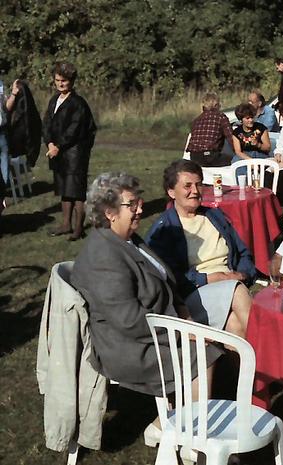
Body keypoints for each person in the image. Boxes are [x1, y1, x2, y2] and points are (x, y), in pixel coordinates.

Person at [71, 172, 223, 398]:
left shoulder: (128, 239)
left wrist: (184, 314)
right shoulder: (103, 255)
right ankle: (185, 419)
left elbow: (164, 281)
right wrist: (181, 333)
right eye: (131, 205)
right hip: (129, 346)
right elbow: (130, 321)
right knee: (203, 353)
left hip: (158, 326)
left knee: (220, 333)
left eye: (139, 202)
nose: (140, 209)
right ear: (109, 212)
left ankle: (193, 412)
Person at [145, 160, 254, 338]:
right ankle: (271, 351)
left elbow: (242, 252)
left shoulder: (214, 216)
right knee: (237, 291)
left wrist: (243, 274)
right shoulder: (164, 229)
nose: (195, 191)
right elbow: (167, 275)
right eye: (187, 186)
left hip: (230, 283)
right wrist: (208, 278)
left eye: (199, 184)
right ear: (171, 192)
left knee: (234, 323)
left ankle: (241, 358)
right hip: (194, 294)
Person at [42, 61, 97, 241]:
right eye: (57, 80)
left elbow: (74, 129)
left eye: (64, 81)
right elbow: (47, 123)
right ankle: (66, 224)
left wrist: (59, 146)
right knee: (64, 189)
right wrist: (50, 143)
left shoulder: (78, 103)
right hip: (57, 152)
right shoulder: (54, 100)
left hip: (75, 153)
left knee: (76, 191)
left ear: (72, 81)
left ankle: (78, 229)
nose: (60, 84)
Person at [186, 92, 235, 167]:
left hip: (194, 157)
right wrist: (240, 152)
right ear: (216, 105)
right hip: (211, 156)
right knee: (236, 160)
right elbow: (231, 138)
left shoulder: (196, 120)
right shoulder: (220, 117)